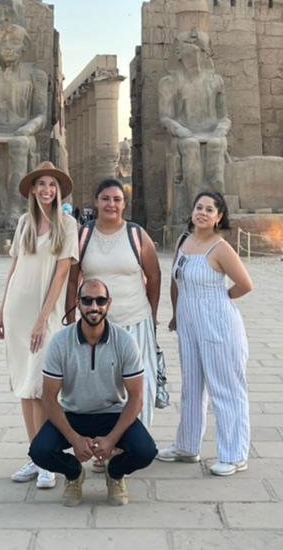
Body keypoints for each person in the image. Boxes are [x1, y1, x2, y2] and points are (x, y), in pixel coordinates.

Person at [30, 277, 158, 507]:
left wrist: (112, 440)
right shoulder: (60, 342)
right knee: (39, 451)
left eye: (100, 301)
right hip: (73, 414)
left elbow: (136, 398)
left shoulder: (125, 341)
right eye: (87, 300)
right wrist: (74, 439)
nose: (94, 307)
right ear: (77, 303)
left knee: (145, 451)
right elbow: (49, 398)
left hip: (112, 414)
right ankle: (73, 474)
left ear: (109, 303)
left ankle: (116, 474)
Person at [0, 160, 78, 491]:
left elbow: (61, 274)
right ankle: (35, 455)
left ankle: (48, 457)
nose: (46, 190)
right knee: (24, 386)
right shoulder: (25, 223)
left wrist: (44, 318)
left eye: (52, 185)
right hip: (18, 310)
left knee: (43, 387)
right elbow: (13, 268)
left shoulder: (67, 224)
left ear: (58, 191)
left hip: (46, 314)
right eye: (41, 184)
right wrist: (1, 310)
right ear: (32, 190)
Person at [159, 190, 254, 476]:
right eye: (198, 207)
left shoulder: (221, 248)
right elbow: (176, 281)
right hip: (188, 324)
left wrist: (220, 298)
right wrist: (176, 314)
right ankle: (187, 445)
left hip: (218, 324)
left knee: (225, 388)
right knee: (192, 386)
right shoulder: (183, 241)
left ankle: (235, 453)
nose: (202, 212)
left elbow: (245, 284)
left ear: (218, 217)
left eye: (209, 209)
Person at [64, 179, 162, 439]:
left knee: (141, 384)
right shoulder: (83, 235)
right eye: (106, 199)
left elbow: (154, 276)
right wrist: (70, 315)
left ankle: (130, 444)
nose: (111, 204)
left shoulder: (136, 234)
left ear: (124, 204)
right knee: (105, 387)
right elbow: (73, 279)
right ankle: (104, 442)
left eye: (117, 199)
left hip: (135, 319)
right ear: (96, 202)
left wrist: (152, 314)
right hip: (96, 325)